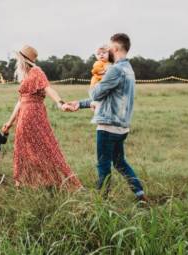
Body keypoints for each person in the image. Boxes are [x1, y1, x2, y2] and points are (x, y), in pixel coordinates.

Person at [66, 33, 148, 202]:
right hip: (121, 126)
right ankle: (140, 194)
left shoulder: (115, 70)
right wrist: (80, 104)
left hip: (108, 126)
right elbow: (108, 98)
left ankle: (101, 202)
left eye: (110, 47)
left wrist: (95, 79)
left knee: (103, 165)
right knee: (119, 163)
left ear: (116, 48)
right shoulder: (128, 69)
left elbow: (96, 93)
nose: (107, 50)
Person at [2, 45, 82, 189]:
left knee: (43, 147)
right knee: (23, 148)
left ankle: (48, 180)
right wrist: (9, 122)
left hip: (33, 114)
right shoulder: (26, 76)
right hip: (24, 115)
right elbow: (20, 101)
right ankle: (23, 182)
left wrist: (60, 103)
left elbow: (48, 88)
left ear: (22, 60)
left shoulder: (36, 71)